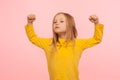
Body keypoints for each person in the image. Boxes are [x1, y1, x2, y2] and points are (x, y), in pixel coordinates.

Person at [25, 12, 104, 80]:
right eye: (54, 22)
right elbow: (33, 38)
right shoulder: (48, 43)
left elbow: (96, 39)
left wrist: (96, 23)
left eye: (61, 21)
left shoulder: (78, 43)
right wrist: (30, 23)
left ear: (70, 25)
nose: (56, 23)